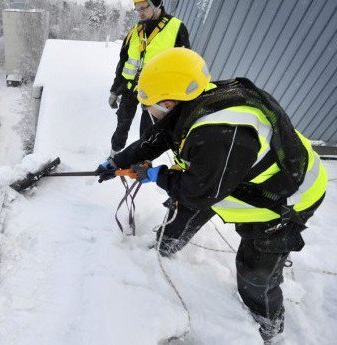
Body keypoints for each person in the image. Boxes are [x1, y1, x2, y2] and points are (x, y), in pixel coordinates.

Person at [96, 48, 327, 342]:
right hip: (228, 172)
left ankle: (269, 323)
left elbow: (198, 192)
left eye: (149, 106)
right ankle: (166, 244)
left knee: (255, 274)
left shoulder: (219, 134)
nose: (147, 111)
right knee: (183, 208)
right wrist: (119, 161)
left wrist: (156, 175)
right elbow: (159, 138)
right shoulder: (194, 101)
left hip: (284, 198)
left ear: (168, 102)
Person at [107, 0, 190, 158]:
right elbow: (123, 62)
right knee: (122, 125)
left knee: (148, 131)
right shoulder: (134, 31)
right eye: (137, 10)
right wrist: (114, 89)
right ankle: (114, 155)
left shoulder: (176, 28)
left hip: (156, 93)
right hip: (131, 88)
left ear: (156, 4)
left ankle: (141, 161)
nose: (140, 13)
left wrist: (176, 99)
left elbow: (184, 65)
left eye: (143, 8)